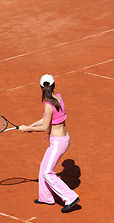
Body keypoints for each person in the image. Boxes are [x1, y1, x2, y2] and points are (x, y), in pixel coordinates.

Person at [19, 74, 80, 213]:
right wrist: (30, 126)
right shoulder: (58, 98)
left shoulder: (48, 105)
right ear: (53, 85)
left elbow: (45, 127)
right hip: (63, 139)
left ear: (41, 87)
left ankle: (70, 197)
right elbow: (45, 119)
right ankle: (46, 197)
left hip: (58, 142)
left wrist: (29, 129)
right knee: (43, 167)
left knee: (47, 172)